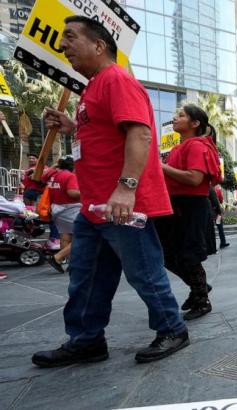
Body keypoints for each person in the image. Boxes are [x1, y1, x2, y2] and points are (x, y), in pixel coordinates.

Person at [33, 15, 188, 367]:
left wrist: (126, 188)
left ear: (99, 45)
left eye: (70, 37)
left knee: (144, 271)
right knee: (85, 277)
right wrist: (72, 125)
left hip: (121, 204)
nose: (63, 45)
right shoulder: (91, 88)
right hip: (93, 206)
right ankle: (86, 339)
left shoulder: (116, 80)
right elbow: (103, 137)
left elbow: (140, 134)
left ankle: (172, 328)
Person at [157, 104, 221, 320]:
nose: (174, 118)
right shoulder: (179, 147)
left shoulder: (197, 146)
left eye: (181, 116)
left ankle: (201, 299)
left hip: (190, 206)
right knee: (168, 255)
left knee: (188, 256)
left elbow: (194, 179)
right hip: (176, 205)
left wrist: (161, 167)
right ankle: (199, 288)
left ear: (195, 124)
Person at [45, 156, 81, 274]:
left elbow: (42, 177)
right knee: (82, 235)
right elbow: (72, 192)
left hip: (56, 208)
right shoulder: (70, 176)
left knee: (65, 237)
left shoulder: (54, 175)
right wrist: (88, 193)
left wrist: (54, 167)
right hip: (71, 208)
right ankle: (57, 257)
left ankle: (72, 264)